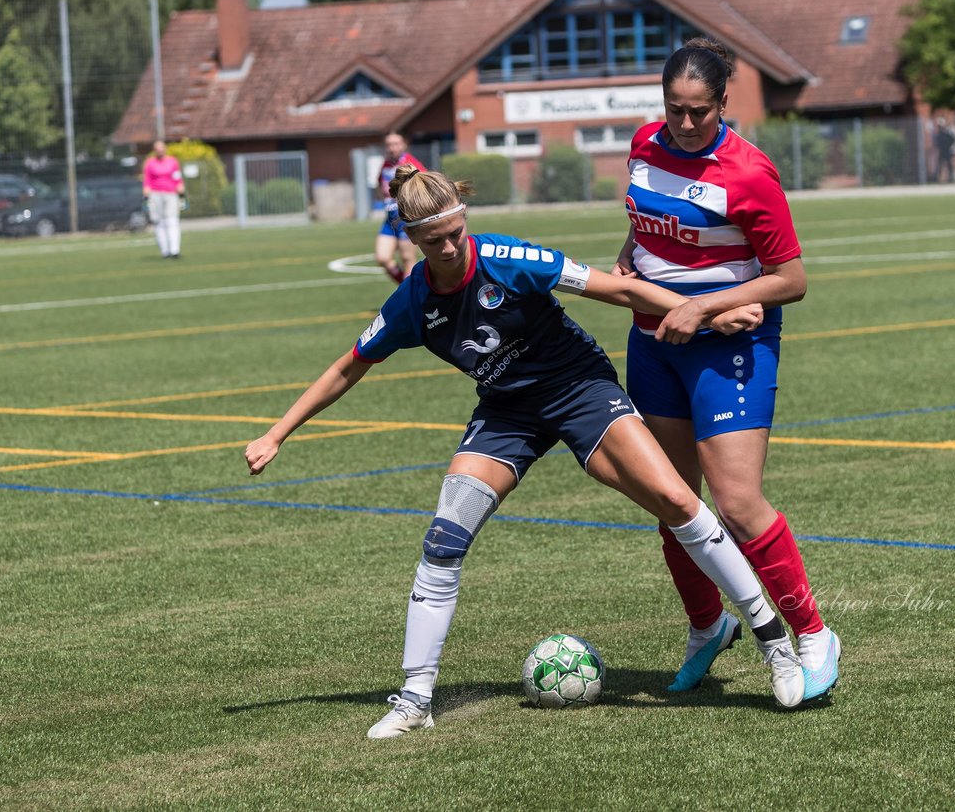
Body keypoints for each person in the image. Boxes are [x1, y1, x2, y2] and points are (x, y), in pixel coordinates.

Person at [245, 166, 808, 740]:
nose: (449, 246)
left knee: (674, 498)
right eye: (434, 240)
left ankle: (772, 643)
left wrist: (707, 312)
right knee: (443, 540)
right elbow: (348, 366)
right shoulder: (412, 301)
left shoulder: (509, 258)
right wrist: (277, 433)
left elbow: (621, 288)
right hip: (507, 413)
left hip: (579, 389)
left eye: (456, 232)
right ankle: (415, 698)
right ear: (411, 239)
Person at [613, 37, 840, 700]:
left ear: (722, 105)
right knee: (672, 503)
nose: (684, 124)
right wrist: (628, 255)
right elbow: (644, 222)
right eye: (674, 109)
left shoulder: (748, 172)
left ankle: (814, 633)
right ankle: (707, 626)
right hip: (652, 344)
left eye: (699, 112)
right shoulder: (642, 145)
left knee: (737, 503)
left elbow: (791, 280)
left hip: (730, 345)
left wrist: (708, 309)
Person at [373, 132, 426, 282]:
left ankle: (410, 297)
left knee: (407, 258)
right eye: (389, 144)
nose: (392, 148)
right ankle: (406, 290)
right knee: (382, 257)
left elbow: (425, 183)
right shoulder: (385, 164)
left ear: (403, 145)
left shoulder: (410, 163)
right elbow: (379, 184)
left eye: (396, 144)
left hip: (407, 218)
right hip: (390, 219)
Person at [142, 139, 186, 258]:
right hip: (155, 194)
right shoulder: (150, 163)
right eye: (157, 149)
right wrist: (146, 193)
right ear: (154, 150)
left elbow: (177, 177)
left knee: (172, 220)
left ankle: (175, 250)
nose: (160, 151)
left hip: (171, 194)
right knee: (159, 222)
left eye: (162, 148)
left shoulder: (172, 161)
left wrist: (180, 188)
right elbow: (147, 181)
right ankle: (165, 251)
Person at [934, 117, 955, 183]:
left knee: (949, 165)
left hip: (947, 151)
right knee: (940, 165)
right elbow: (937, 142)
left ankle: (951, 178)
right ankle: (939, 178)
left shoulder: (947, 133)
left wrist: (949, 146)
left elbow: (953, 139)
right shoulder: (939, 134)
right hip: (942, 151)